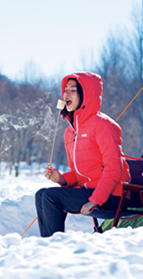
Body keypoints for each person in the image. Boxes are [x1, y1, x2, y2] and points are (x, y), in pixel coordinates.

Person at [35, 72, 130, 237]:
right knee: (41, 195)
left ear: (85, 94)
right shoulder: (70, 133)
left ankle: (53, 247)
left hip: (111, 195)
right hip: (88, 190)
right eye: (65, 89)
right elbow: (78, 174)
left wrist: (95, 200)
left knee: (51, 197)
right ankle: (46, 244)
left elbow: (114, 167)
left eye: (73, 90)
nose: (66, 94)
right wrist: (62, 179)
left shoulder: (103, 125)